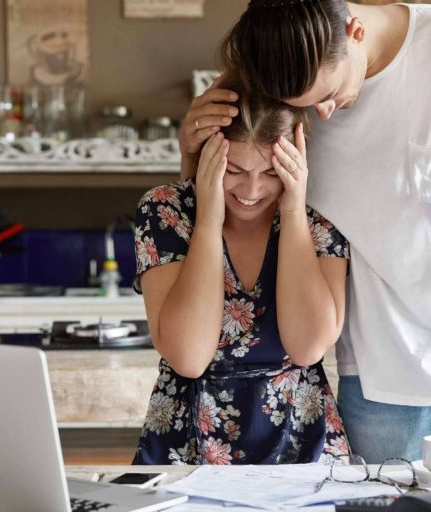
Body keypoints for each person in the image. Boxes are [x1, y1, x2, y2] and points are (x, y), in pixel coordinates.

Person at [179, 0, 431, 462]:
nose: (323, 114)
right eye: (306, 105)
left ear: (355, 32)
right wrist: (190, 149)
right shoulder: (278, 79)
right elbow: (237, 192)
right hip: (379, 378)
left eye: (329, 92)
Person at [133, 73, 351, 465]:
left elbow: (307, 348)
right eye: (233, 170)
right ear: (207, 158)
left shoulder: (319, 220)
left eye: (270, 173)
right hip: (188, 442)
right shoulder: (166, 211)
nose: (251, 192)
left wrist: (292, 210)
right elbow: (189, 356)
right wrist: (208, 221)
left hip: (301, 443)